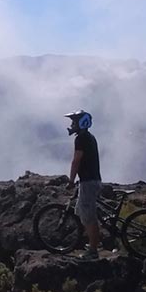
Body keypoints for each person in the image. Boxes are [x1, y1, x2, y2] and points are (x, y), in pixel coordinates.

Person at [65, 110, 102, 259]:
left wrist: (71, 181)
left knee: (88, 216)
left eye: (74, 122)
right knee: (84, 212)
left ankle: (93, 251)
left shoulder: (80, 138)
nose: (71, 125)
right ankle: (93, 244)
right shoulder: (89, 137)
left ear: (81, 123)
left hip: (88, 182)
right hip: (92, 180)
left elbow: (76, 161)